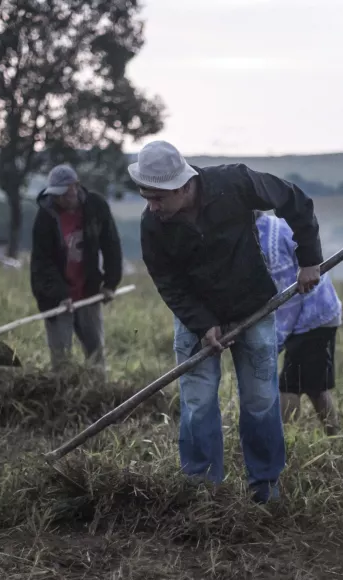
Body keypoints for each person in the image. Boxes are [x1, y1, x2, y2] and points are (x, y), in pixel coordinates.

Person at [132, 140, 323, 504]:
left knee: (260, 399)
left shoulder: (235, 183)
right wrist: (202, 324)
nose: (151, 207)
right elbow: (167, 281)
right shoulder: (152, 224)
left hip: (251, 306)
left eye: (158, 198)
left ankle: (265, 488)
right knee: (199, 402)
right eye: (146, 196)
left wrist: (309, 259)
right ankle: (201, 491)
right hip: (194, 318)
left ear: (183, 187)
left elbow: (293, 200)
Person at [30, 164, 123, 376]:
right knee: (61, 360)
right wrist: (58, 295)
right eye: (58, 194)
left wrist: (110, 283)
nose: (61, 198)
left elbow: (111, 245)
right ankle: (62, 398)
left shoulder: (96, 207)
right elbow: (42, 264)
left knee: (95, 354)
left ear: (76, 187)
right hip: (56, 298)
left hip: (88, 291)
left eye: (66, 192)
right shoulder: (45, 217)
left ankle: (99, 397)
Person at [255, 210, 342, 435]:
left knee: (289, 385)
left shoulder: (269, 239)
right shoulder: (266, 227)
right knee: (315, 386)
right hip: (315, 316)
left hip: (312, 317)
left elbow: (288, 298)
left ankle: (285, 439)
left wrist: (276, 342)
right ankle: (336, 435)